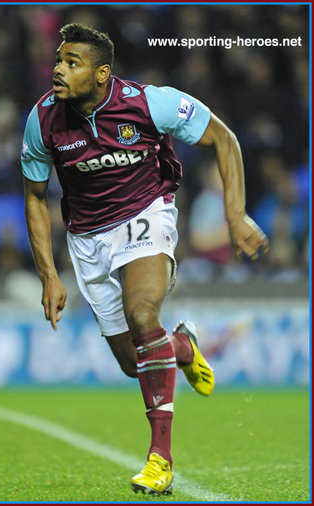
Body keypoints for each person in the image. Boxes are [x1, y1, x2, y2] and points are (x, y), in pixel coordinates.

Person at [21, 23, 269, 496]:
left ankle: (160, 460)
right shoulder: (43, 120)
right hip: (87, 239)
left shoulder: (150, 102)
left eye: (71, 62)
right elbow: (35, 198)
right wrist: (48, 276)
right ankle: (181, 346)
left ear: (101, 75)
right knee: (135, 363)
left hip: (146, 215)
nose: (57, 68)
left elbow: (223, 137)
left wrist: (235, 216)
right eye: (58, 59)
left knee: (141, 314)